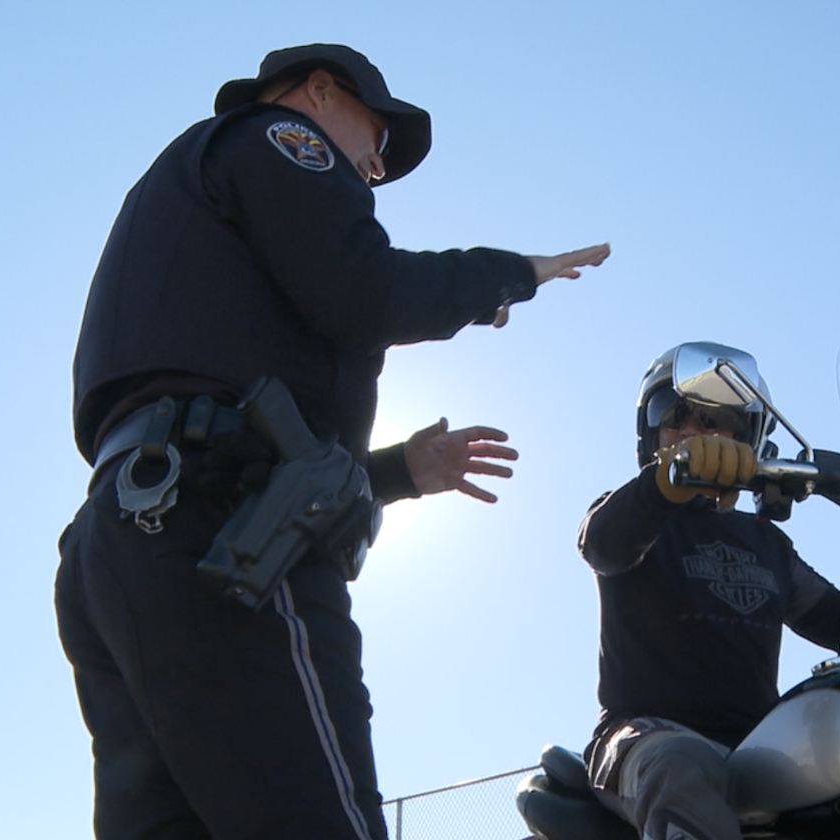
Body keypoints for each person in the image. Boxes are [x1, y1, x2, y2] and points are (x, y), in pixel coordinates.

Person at [55, 43, 609, 840]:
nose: (374, 165)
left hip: (126, 538)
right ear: (320, 92)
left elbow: (218, 396)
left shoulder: (183, 192)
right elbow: (363, 291)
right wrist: (511, 274)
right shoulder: (281, 141)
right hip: (226, 543)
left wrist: (397, 472)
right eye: (376, 138)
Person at [577, 342, 840, 840]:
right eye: (676, 417)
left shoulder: (767, 543)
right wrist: (662, 486)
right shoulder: (635, 517)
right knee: (681, 762)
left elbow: (838, 618)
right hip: (644, 736)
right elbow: (604, 545)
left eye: (713, 423)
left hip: (757, 748)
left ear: (744, 438)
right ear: (652, 433)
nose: (692, 432)